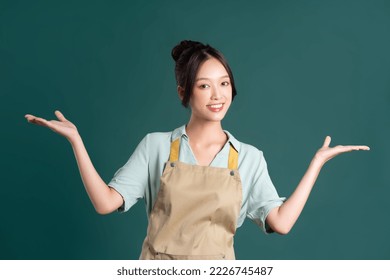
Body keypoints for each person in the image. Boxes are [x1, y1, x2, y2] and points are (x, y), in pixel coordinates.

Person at [24, 40, 370, 260]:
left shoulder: (248, 157)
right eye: (205, 85)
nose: (218, 95)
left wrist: (316, 164)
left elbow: (280, 222)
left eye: (224, 84)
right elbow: (105, 203)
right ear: (183, 92)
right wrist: (76, 141)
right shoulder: (156, 146)